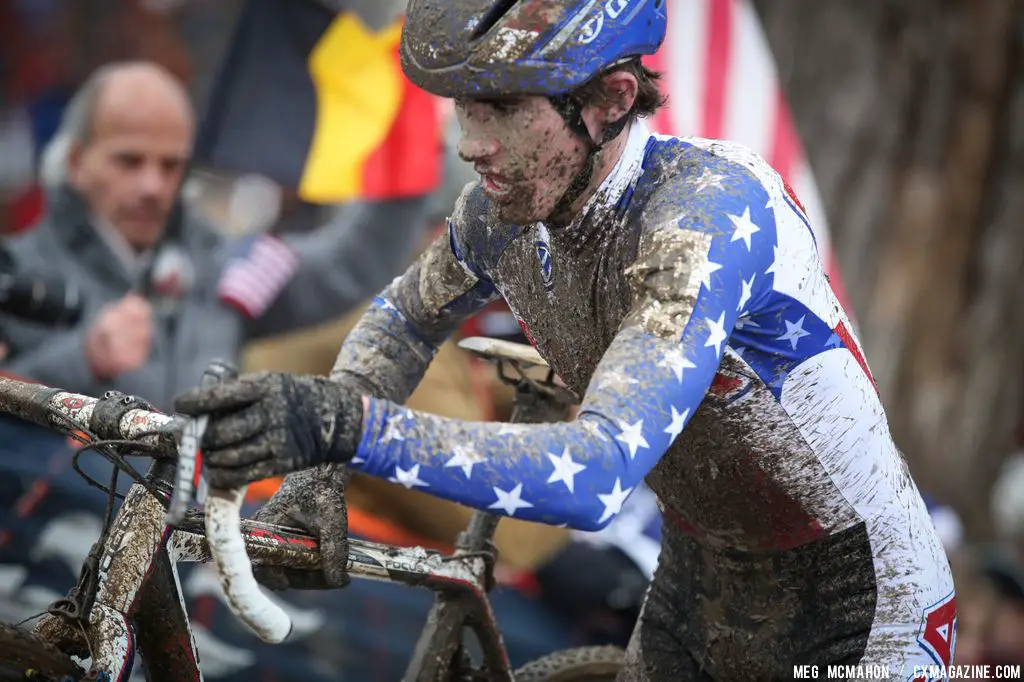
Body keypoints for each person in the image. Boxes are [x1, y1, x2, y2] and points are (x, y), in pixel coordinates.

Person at [172, 0, 956, 677]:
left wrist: (348, 429)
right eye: (464, 107)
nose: (471, 144)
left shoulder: (704, 218)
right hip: (701, 577)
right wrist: (318, 477)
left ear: (612, 98)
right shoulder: (501, 210)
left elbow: (598, 475)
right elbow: (404, 317)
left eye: (504, 107)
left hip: (859, 602)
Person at [0, 60, 429, 409]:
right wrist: (82, 359)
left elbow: (346, 265)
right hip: (66, 511)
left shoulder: (220, 262)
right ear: (75, 161)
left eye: (171, 166)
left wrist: (411, 142)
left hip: (206, 513)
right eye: (128, 161)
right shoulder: (16, 273)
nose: (153, 186)